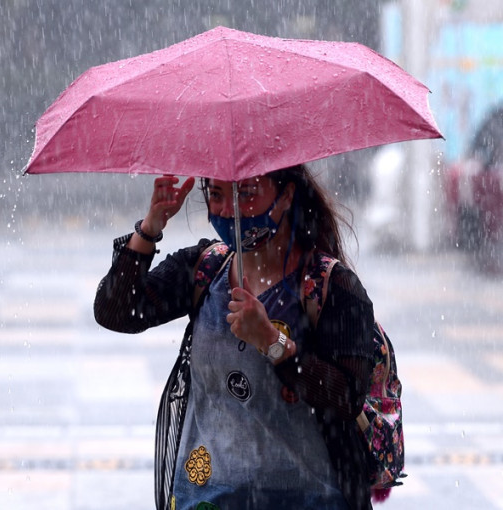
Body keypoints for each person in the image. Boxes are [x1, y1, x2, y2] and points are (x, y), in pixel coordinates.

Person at [94, 164, 375, 510]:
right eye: (216, 195)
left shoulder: (330, 288)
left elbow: (347, 398)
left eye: (247, 193)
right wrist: (150, 228)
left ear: (286, 196)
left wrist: (275, 344)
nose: (228, 210)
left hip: (306, 498)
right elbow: (117, 312)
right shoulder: (206, 268)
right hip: (205, 497)